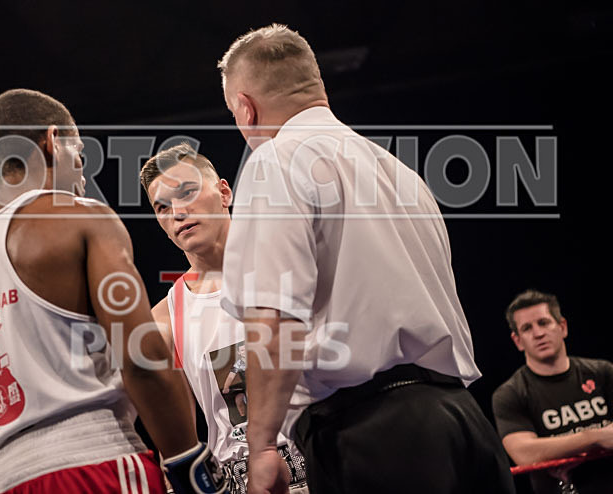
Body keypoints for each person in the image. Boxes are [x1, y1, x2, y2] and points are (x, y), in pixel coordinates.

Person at [215, 24, 516, 494]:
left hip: (376, 435)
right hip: (463, 421)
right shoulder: (401, 173)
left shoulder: (276, 160)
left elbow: (275, 318)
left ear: (245, 108)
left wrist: (263, 448)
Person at [0, 89, 224, 494]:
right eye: (80, 156)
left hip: (1, 480)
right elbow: (143, 357)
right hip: (96, 462)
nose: (83, 177)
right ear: (52, 142)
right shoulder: (79, 218)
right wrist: (190, 466)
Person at [140, 144, 308, 493]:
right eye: (162, 207)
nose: (178, 212)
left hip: (316, 462)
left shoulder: (291, 266)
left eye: (186, 193)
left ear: (224, 192)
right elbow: (175, 444)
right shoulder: (165, 318)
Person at [492, 289, 613, 494]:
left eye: (544, 322)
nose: (538, 333)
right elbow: (524, 453)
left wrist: (554, 449)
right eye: (527, 328)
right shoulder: (509, 394)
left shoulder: (603, 372)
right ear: (518, 341)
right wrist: (596, 437)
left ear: (562, 326)